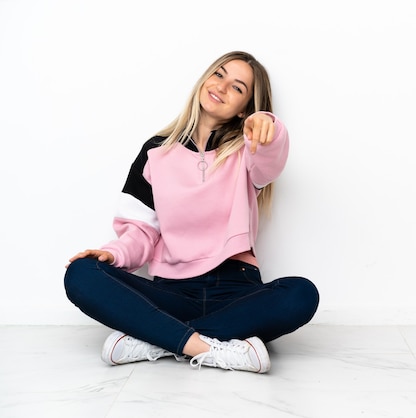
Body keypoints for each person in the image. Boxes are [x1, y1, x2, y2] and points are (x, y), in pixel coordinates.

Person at [64, 51, 319, 374]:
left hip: (236, 291)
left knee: (301, 294)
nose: (222, 86)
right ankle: (207, 347)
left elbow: (272, 155)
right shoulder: (155, 151)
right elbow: (141, 231)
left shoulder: (248, 150)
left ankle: (157, 338)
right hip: (170, 291)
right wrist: (111, 255)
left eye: (238, 88)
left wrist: (267, 124)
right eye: (219, 74)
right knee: (81, 273)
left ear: (245, 110)